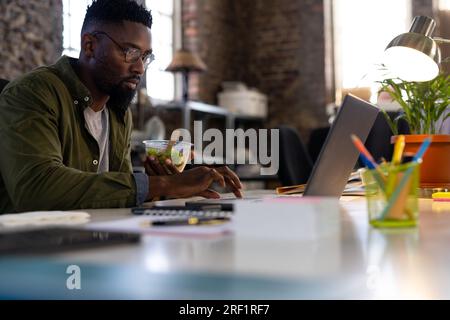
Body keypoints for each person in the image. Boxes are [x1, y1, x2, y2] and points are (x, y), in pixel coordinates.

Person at [0, 0, 242, 213]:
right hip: (28, 251)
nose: (140, 68)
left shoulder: (118, 112)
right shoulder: (33, 94)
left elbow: (112, 197)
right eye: (129, 52)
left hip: (92, 242)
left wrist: (162, 189)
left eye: (145, 56)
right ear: (90, 46)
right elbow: (36, 189)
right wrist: (162, 185)